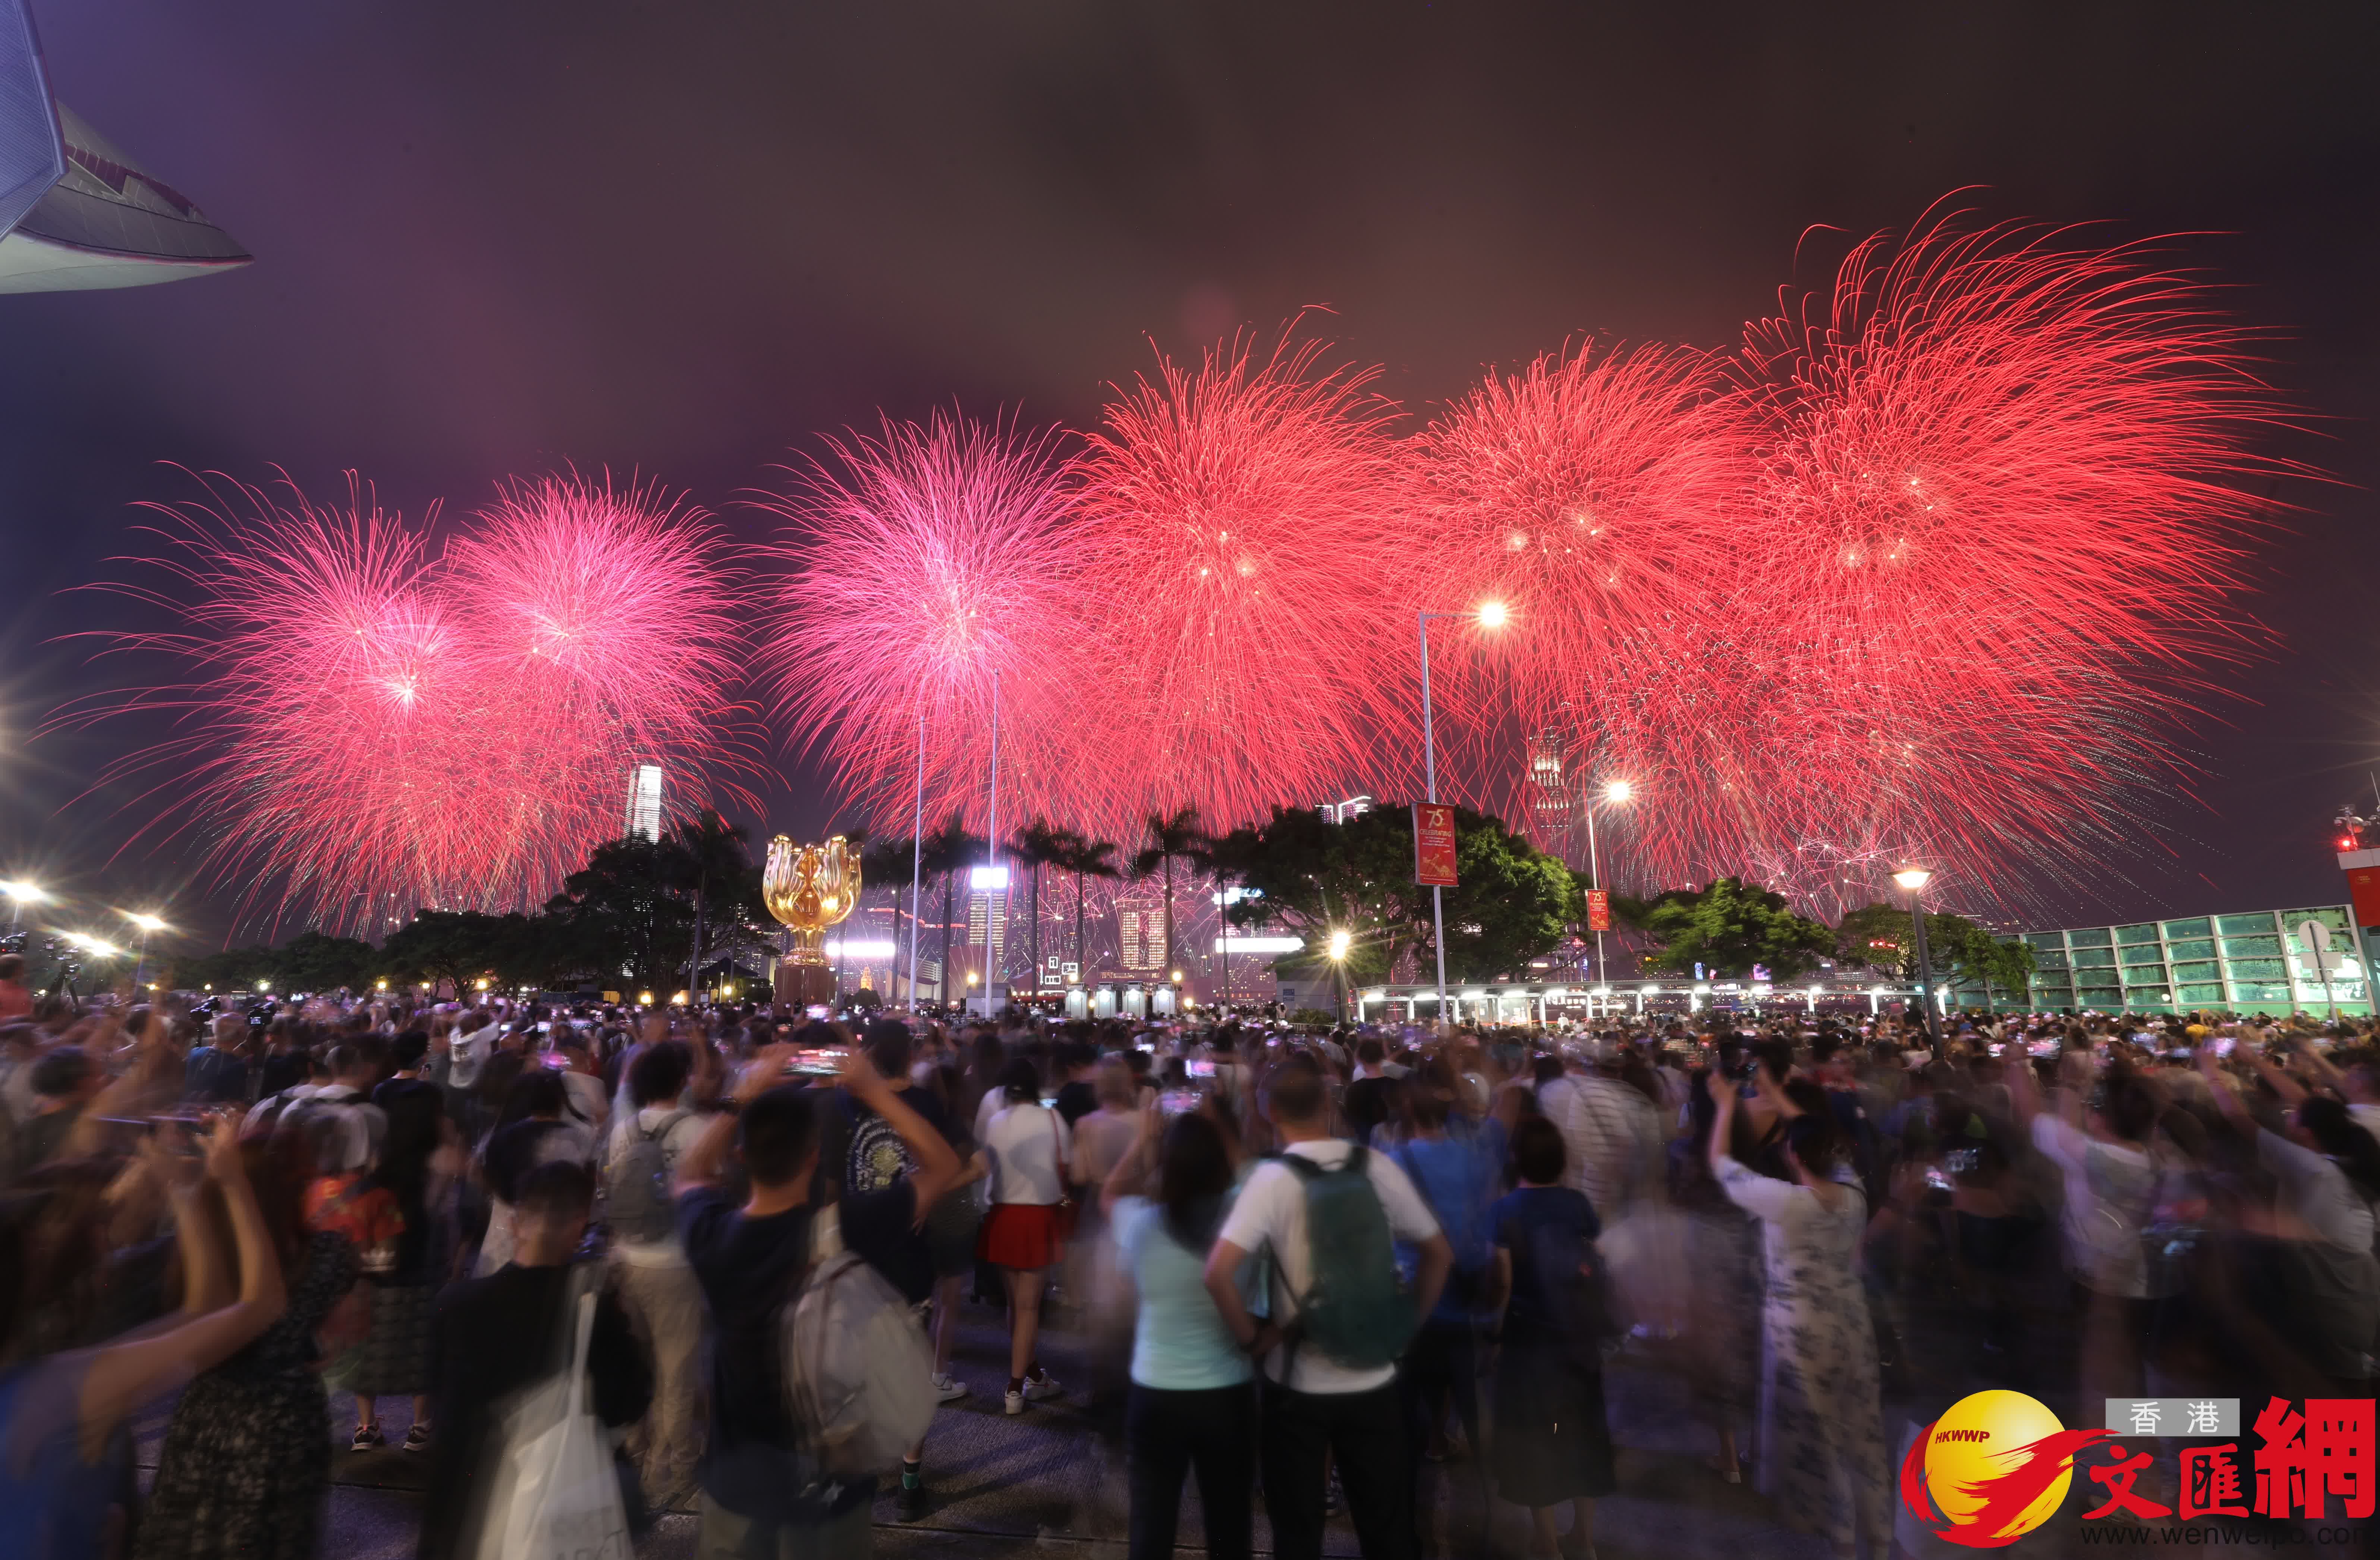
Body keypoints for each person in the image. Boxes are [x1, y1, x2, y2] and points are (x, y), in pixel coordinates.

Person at [677, 1043, 960, 1560]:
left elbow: (691, 1171)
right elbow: (942, 1165)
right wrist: (873, 1087)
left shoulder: (713, 1235)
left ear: (742, 1155)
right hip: (827, 1480)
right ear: (813, 1156)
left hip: (737, 1478)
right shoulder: (845, 1228)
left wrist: (744, 1093)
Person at [2, 1116, 287, 1560]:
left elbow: (206, 1312)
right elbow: (258, 1308)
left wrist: (183, 1190)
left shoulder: (46, 1377)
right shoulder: (63, 1384)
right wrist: (232, 1181)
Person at [1204, 1059, 1452, 1560]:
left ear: (1269, 1110)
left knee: (1297, 1531)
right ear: (1326, 1104)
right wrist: (1406, 1326)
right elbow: (1438, 1253)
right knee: (1387, 1526)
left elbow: (1217, 1273)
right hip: (1375, 1376)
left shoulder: (1271, 1179)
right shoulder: (1373, 1165)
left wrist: (1253, 1339)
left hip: (1296, 1380)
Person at [418, 1160, 653, 1560]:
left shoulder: (454, 1305)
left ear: (515, 1223)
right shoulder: (593, 1309)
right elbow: (627, 1404)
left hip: (464, 1508)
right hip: (556, 1512)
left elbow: (437, 1398)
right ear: (579, 1225)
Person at [138, 1127, 355, 1560]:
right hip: (289, 1416)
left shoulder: (204, 1256)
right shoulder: (329, 1252)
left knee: (197, 1532)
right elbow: (336, 1322)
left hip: (213, 1414)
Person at [1705, 1072, 1888, 1560]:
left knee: (1822, 1438)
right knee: (1863, 1430)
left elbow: (1720, 1165)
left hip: (1799, 1326)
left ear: (1793, 1156)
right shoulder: (1853, 1194)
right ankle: (1881, 1537)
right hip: (1850, 1318)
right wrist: (1781, 1098)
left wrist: (1726, 1104)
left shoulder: (1784, 1202)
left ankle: (1843, 1542)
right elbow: (1818, 1136)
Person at [1103, 1102, 1255, 1560]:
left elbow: (1108, 1194)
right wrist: (1224, 1128)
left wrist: (1142, 1141)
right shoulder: (1241, 1223)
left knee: (1151, 1527)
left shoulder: (1142, 1223)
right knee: (1229, 1523)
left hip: (1156, 1389)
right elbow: (1251, 1176)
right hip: (1227, 1391)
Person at [1482, 1114, 1615, 1560]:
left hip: (1528, 1342)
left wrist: (1494, 1338)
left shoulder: (1504, 1211)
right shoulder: (1577, 1204)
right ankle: (1585, 1538)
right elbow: (1598, 1262)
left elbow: (1501, 1282)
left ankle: (1546, 1541)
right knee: (1581, 1433)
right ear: (1560, 1159)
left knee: (1533, 1437)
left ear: (1515, 1159)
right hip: (1577, 1343)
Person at [605, 1039, 713, 1512]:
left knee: (636, 1363)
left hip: (627, 1260)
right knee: (677, 1370)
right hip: (677, 1263)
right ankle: (675, 1468)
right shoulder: (697, 1130)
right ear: (681, 1080)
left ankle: (637, 1451)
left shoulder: (623, 1129)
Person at [974, 1056, 1075, 1413]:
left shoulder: (997, 1121)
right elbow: (1070, 1167)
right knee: (1030, 1307)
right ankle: (1015, 1388)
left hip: (1002, 1215)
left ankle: (1030, 1372)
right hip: (1038, 1216)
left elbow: (983, 1164)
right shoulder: (1052, 1119)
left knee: (1016, 1305)